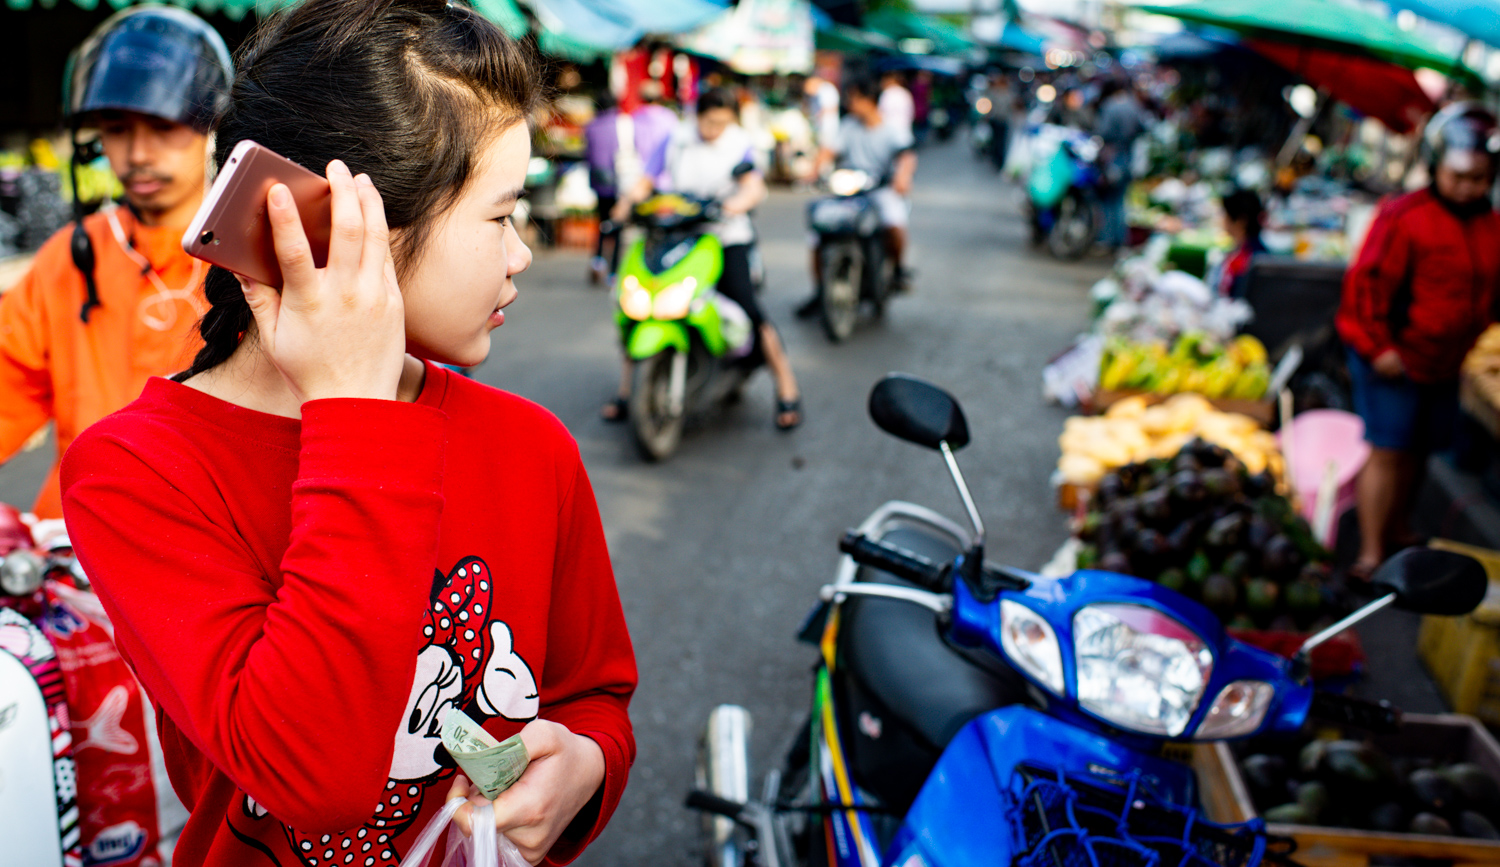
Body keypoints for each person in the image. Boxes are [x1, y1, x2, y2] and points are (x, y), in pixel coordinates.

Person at [59, 3, 638, 867]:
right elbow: (312, 773)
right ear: (338, 226)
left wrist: (587, 762)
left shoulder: (533, 446)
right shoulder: (135, 473)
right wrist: (358, 415)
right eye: (498, 216)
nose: (521, 254)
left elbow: (594, 693)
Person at [0, 6, 230, 519]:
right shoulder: (67, 257)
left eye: (162, 125)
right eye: (118, 129)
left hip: (209, 550)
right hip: (73, 542)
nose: (139, 153)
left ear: (214, 126)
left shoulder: (253, 257)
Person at [1335, 102, 1500, 578]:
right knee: (1388, 449)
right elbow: (1364, 287)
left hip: (1446, 363)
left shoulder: (1490, 226)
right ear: (1435, 165)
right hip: (1394, 358)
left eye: (1480, 179)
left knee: (1421, 450)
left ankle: (1400, 527)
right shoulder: (1405, 216)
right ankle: (1370, 552)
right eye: (1460, 177)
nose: (1470, 189)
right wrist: (1378, 348)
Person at [605, 87, 802, 430]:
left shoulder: (738, 142)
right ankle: (626, 391)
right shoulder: (676, 138)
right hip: (674, 232)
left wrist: (735, 204)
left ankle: (786, 386)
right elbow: (646, 181)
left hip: (723, 236)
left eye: (724, 123)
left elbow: (752, 185)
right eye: (711, 122)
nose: (716, 130)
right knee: (634, 302)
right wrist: (625, 206)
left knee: (750, 308)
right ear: (698, 114)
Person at [798, 76, 918, 317]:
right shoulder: (849, 125)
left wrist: (902, 178)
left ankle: (898, 268)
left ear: (869, 100)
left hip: (880, 189)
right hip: (849, 189)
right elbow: (829, 151)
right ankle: (820, 290)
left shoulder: (891, 129)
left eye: (854, 97)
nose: (849, 102)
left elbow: (906, 157)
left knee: (893, 223)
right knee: (818, 234)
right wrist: (812, 171)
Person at [1092, 78, 1148, 252]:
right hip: (1128, 158)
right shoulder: (1134, 106)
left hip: (1113, 157)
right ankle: (1120, 239)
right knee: (1121, 200)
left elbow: (1103, 132)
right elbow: (1144, 128)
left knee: (1109, 200)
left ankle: (1107, 239)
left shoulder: (1110, 106)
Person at [1212, 188, 1266, 299]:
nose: (1222, 219)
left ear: (1240, 221)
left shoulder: (1251, 259)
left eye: (1226, 214)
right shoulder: (1240, 249)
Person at [878, 69, 914, 139]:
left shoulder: (887, 93)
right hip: (905, 133)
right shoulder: (905, 92)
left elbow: (881, 114)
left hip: (890, 135)